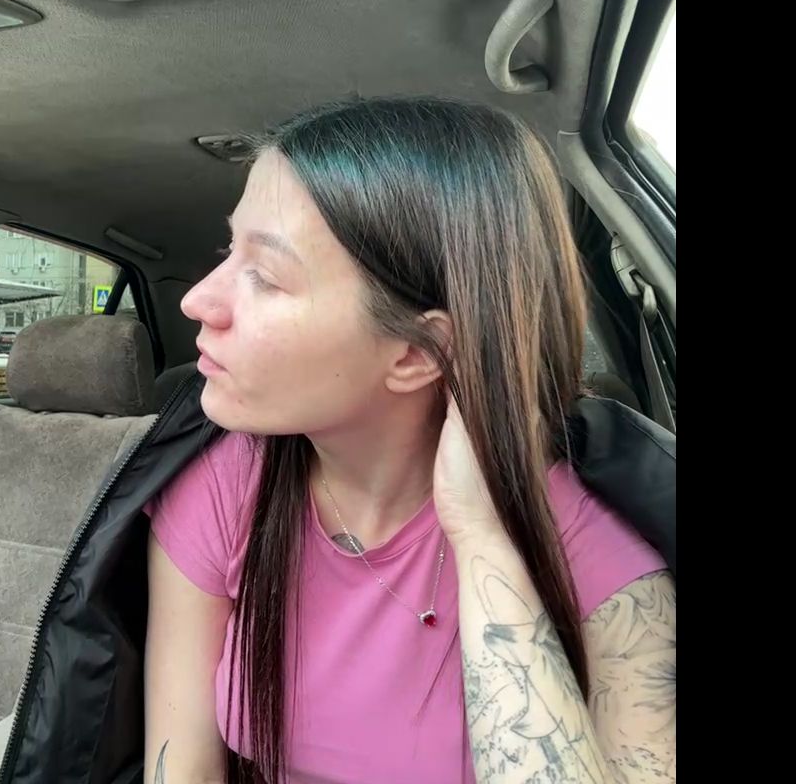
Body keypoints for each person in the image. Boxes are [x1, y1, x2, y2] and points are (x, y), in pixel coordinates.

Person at [142, 98, 675, 783]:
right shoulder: (223, 485)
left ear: (417, 354)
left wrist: (482, 539)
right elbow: (179, 769)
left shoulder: (601, 560)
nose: (197, 301)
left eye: (266, 277)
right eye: (228, 251)